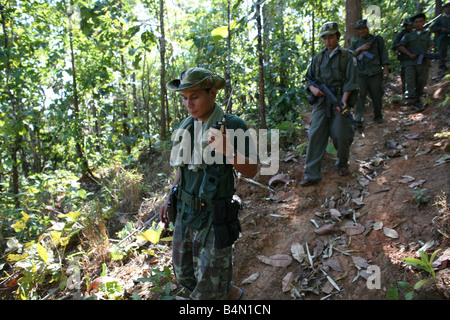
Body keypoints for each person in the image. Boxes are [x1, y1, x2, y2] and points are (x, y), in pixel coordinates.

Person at [159, 67, 257, 300]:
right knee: (184, 275)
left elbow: (253, 169)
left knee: (208, 290)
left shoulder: (233, 125)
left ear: (212, 93)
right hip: (185, 211)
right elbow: (181, 169)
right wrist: (170, 195)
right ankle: (230, 293)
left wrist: (228, 150)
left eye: (195, 96)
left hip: (214, 216)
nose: (188, 104)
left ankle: (223, 295)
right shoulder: (186, 126)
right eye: (184, 98)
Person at [300, 22, 359, 187]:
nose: (328, 41)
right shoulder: (317, 58)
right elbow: (308, 78)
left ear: (338, 37)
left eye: (331, 36)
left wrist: (344, 101)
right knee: (315, 134)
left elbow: (351, 81)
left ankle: (342, 164)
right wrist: (313, 89)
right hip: (321, 102)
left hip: (340, 98)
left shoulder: (347, 56)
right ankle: (311, 174)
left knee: (341, 134)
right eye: (325, 37)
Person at [349, 19, 390, 126]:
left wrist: (386, 69)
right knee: (359, 96)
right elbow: (349, 56)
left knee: (376, 95)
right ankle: (358, 119)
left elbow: (384, 55)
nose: (362, 31)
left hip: (375, 73)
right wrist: (361, 48)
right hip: (361, 74)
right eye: (360, 29)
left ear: (368, 28)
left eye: (364, 28)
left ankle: (378, 115)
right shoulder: (355, 43)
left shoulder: (377, 40)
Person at [397, 13, 433, 111]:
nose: (418, 24)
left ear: (424, 22)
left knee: (422, 80)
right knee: (410, 81)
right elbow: (400, 46)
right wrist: (409, 54)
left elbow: (430, 46)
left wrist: (429, 53)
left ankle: (418, 98)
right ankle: (411, 100)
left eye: (420, 22)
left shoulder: (427, 34)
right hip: (410, 62)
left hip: (422, 62)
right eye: (416, 22)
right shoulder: (408, 35)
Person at [392, 17, 414, 95]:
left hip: (415, 59)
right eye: (408, 25)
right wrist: (402, 46)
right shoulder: (400, 35)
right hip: (404, 59)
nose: (410, 27)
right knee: (405, 77)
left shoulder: (414, 34)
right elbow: (394, 46)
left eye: (411, 25)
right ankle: (406, 93)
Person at [430, 2, 450, 75]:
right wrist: (441, 29)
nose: (448, 9)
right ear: (444, 9)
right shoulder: (440, 19)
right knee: (442, 52)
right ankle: (442, 67)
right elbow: (432, 28)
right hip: (443, 37)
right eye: (447, 7)